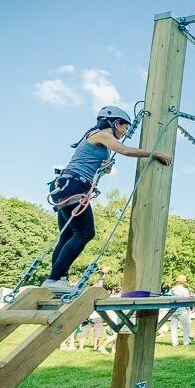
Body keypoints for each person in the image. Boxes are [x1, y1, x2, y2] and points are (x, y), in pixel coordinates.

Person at [43, 106, 173, 294]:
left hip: (65, 185)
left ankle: (56, 279)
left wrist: (106, 168)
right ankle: (55, 278)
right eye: (124, 127)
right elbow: (126, 151)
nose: (125, 131)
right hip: (74, 186)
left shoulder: (95, 137)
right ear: (115, 123)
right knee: (85, 233)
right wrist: (155, 154)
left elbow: (95, 163)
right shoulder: (103, 134)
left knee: (68, 235)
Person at [169, 274, 192, 346]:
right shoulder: (185, 290)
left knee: (174, 327)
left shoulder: (172, 290)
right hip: (182, 310)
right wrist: (188, 309)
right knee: (186, 325)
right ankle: (186, 340)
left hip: (173, 310)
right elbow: (186, 301)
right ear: (184, 282)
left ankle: (174, 342)